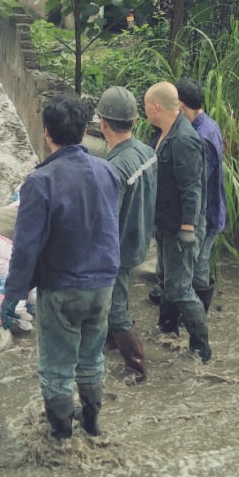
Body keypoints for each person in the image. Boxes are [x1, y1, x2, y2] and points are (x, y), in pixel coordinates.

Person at [0, 96, 121, 440]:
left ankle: (62, 440)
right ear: (85, 131)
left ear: (46, 132)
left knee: (56, 367)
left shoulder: (40, 182)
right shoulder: (108, 171)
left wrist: (14, 295)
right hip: (103, 283)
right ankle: (93, 426)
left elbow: (26, 247)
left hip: (64, 286)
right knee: (91, 358)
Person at [144, 81, 212, 363]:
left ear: (156, 107)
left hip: (180, 226)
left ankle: (201, 346)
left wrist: (188, 227)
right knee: (165, 279)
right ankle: (167, 328)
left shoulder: (184, 140)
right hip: (164, 221)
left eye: (146, 106)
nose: (145, 111)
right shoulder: (163, 133)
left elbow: (191, 187)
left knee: (179, 287)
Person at [96, 85, 157, 384]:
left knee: (116, 307)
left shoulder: (113, 168)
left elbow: (105, 218)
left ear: (102, 123)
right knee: (113, 300)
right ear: (135, 122)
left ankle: (137, 370)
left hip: (117, 247)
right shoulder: (146, 152)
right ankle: (110, 342)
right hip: (140, 237)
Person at [177, 77, 226, 313]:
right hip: (211, 211)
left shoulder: (201, 137)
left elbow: (195, 183)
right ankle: (198, 312)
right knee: (200, 264)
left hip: (205, 215)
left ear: (181, 105)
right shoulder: (208, 125)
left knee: (197, 267)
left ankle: (197, 315)